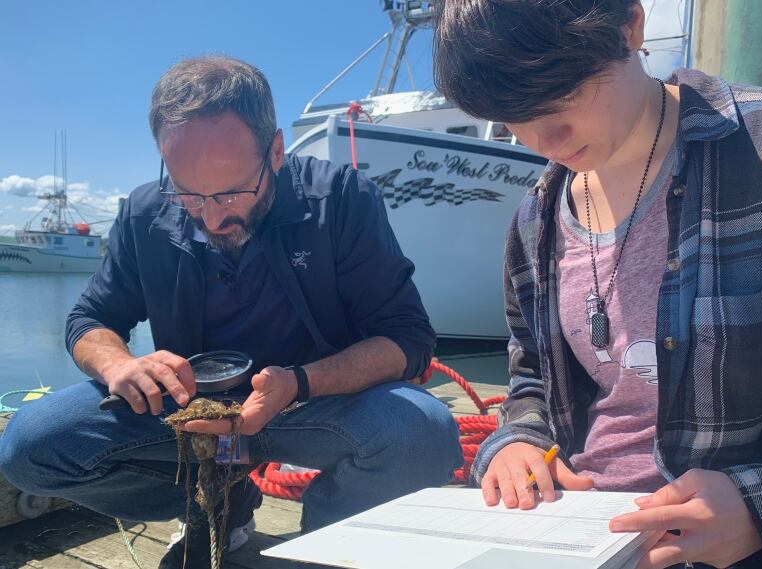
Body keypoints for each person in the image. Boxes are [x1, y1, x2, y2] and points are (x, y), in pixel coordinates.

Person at [0, 56, 463, 569]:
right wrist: (119, 366)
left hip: (310, 403)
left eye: (231, 192)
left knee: (423, 432)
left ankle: (325, 542)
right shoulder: (142, 213)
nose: (212, 217)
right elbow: (89, 320)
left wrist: (299, 382)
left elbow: (407, 337)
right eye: (188, 194)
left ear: (277, 152)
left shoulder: (343, 199)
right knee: (30, 445)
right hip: (190, 413)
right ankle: (215, 502)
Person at [432, 0, 762, 568]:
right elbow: (531, 384)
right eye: (512, 117)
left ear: (630, 28)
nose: (543, 141)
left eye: (560, 96)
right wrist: (516, 442)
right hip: (572, 532)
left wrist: (760, 506)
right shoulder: (533, 222)